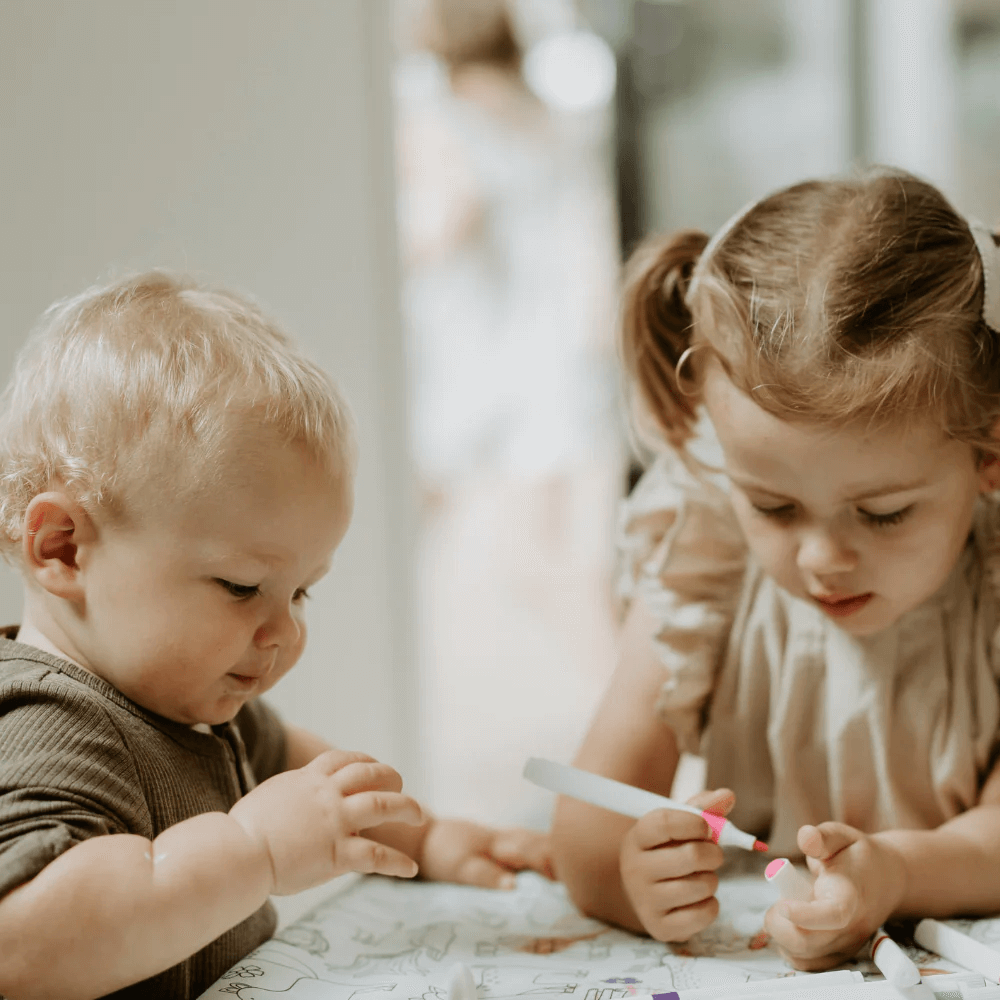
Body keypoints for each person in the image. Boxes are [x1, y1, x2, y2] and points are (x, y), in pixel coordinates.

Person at [0, 273, 551, 1000]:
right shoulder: (46, 723)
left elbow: (305, 773)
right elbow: (22, 947)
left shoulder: (183, 705)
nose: (286, 629)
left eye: (301, 592)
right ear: (64, 549)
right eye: (239, 587)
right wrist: (251, 849)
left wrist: (430, 837)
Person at [550, 167, 1000, 971]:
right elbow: (587, 819)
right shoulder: (707, 564)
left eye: (884, 512)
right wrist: (631, 876)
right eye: (774, 507)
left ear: (989, 454)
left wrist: (893, 873)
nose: (823, 558)